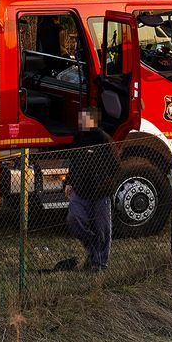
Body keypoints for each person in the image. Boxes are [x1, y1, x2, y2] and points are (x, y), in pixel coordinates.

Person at [63, 107, 119, 272]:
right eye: (81, 118)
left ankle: (99, 264)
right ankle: (93, 247)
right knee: (74, 219)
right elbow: (74, 161)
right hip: (80, 190)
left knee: (103, 228)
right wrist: (69, 181)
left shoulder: (103, 139)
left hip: (100, 192)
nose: (81, 121)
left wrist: (103, 182)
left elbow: (115, 165)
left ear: (94, 121)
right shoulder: (79, 137)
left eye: (85, 118)